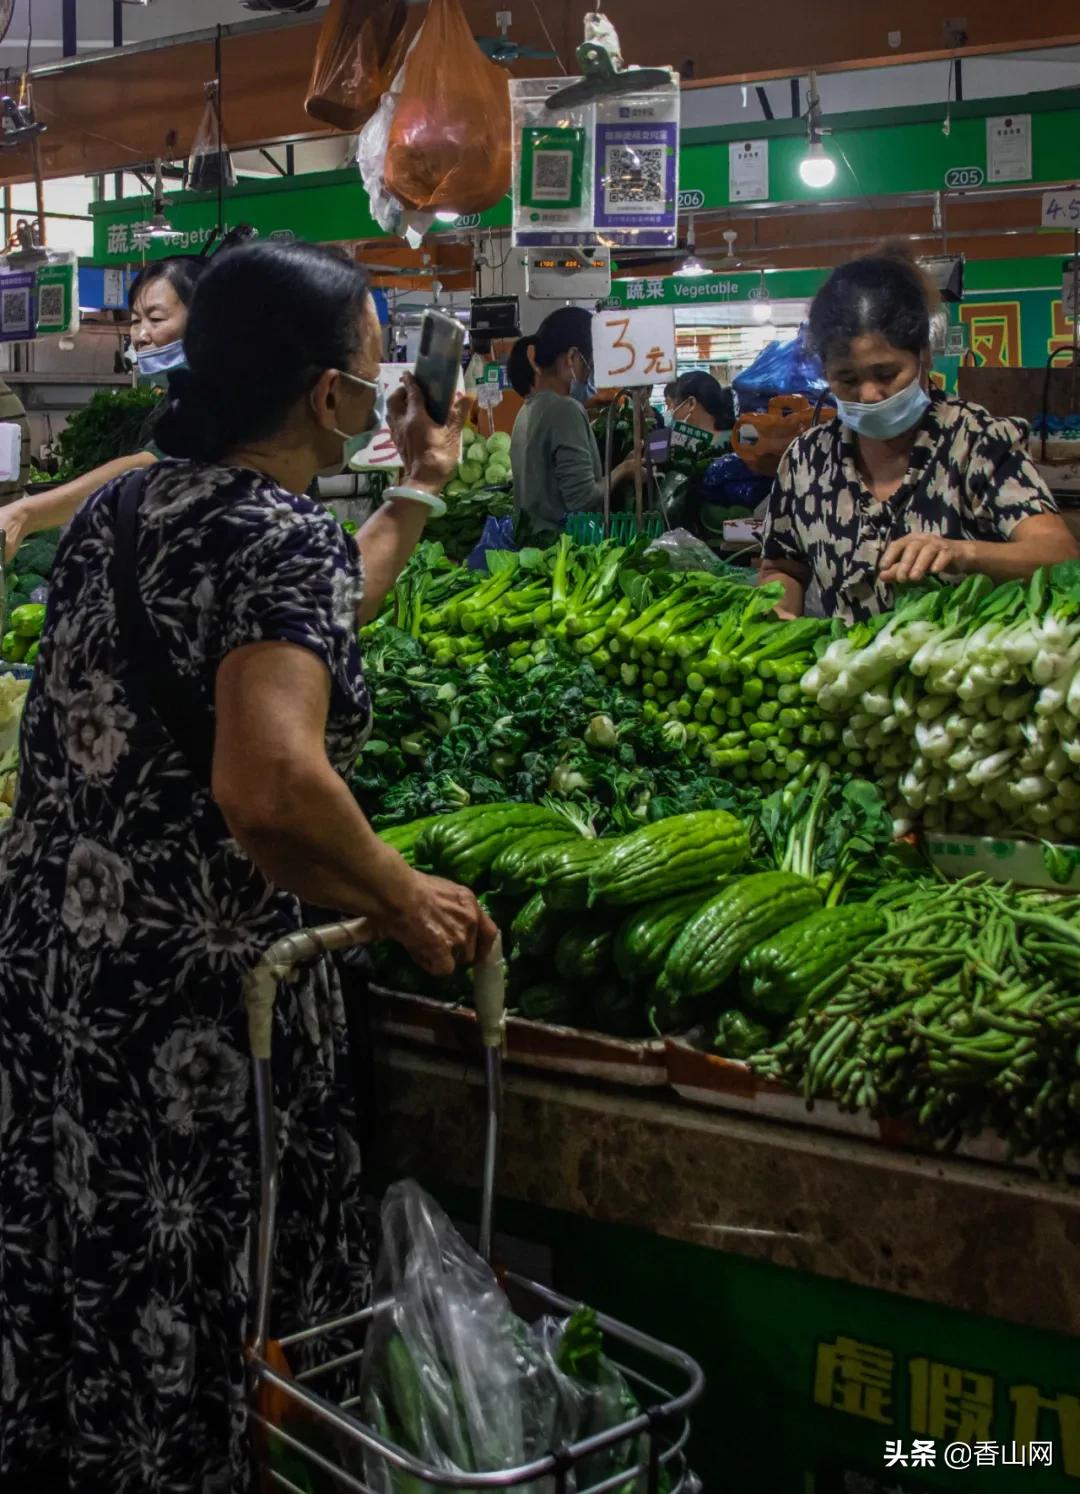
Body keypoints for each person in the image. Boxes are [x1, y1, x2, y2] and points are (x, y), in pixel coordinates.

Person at [0, 240, 495, 1492]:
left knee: (87, 1269)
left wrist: (415, 498)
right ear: (325, 397)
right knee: (205, 1302)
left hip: (65, 975)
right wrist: (399, 893)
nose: (386, 399)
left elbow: (296, 628)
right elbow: (272, 787)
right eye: (376, 377)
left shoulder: (126, 507)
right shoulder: (273, 534)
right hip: (194, 1020)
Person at [760, 247, 1077, 622]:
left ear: (924, 355)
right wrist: (777, 610)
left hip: (959, 672)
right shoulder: (806, 461)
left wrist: (962, 554)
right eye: (846, 379)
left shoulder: (977, 443)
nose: (869, 394)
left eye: (886, 373)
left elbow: (1059, 555)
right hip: (843, 672)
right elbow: (782, 568)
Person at [0, 256, 206, 559]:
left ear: (206, 320)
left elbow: (151, 465)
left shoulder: (221, 394)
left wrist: (26, 513)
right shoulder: (181, 390)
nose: (141, 335)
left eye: (156, 319)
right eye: (136, 320)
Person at [510, 306, 638, 542]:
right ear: (571, 357)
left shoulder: (526, 409)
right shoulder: (565, 409)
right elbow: (583, 499)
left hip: (532, 546)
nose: (590, 373)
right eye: (589, 362)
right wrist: (624, 470)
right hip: (563, 551)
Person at [669, 370, 735, 441]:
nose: (671, 409)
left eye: (676, 404)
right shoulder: (735, 438)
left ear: (692, 403)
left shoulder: (734, 444)